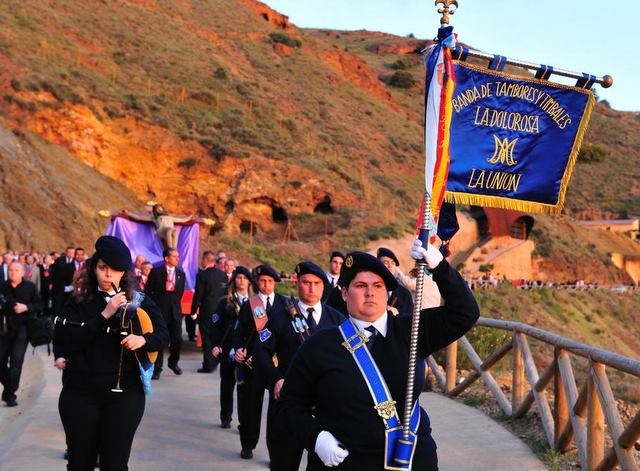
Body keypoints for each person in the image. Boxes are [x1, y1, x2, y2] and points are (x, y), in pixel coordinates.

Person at [279, 241, 479, 470]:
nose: (370, 292)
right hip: (345, 461)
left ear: (387, 292)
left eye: (378, 285)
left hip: (410, 458)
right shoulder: (320, 344)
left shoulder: (411, 331)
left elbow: (465, 313)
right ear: (344, 293)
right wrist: (315, 438)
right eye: (360, 285)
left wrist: (440, 267)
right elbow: (290, 405)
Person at [53, 235, 168, 470]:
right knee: (79, 462)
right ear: (93, 268)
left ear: (124, 273)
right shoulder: (78, 301)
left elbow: (164, 336)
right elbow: (66, 339)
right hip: (80, 391)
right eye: (103, 268)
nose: (108, 275)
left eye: (114, 270)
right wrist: (104, 314)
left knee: (115, 463)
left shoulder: (139, 301)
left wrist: (143, 340)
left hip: (125, 393)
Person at [255, 261, 345, 471]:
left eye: (316, 283)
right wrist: (275, 379)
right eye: (306, 282)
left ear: (324, 286)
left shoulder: (337, 319)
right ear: (297, 284)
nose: (311, 288)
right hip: (289, 402)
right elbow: (261, 352)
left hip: (326, 405)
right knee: (284, 461)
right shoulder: (281, 317)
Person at [232, 264, 287, 460]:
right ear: (257, 283)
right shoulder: (250, 304)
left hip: (276, 365)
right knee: (250, 407)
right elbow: (238, 333)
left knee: (276, 412)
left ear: (275, 283)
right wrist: (238, 348)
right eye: (262, 281)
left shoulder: (285, 304)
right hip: (253, 363)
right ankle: (248, 443)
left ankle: (275, 453)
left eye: (270, 281)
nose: (266, 285)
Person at [211, 266, 255, 429]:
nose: (241, 281)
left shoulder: (255, 303)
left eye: (245, 278)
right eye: (238, 278)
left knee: (245, 387)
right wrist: (215, 345)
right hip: (228, 349)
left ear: (250, 282)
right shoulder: (225, 302)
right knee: (227, 383)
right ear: (233, 281)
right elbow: (215, 324)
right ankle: (226, 417)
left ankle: (243, 422)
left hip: (246, 350)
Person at [0, 261, 43, 407]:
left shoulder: (30, 287)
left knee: (16, 362)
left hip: (23, 329)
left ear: (23, 272)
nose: (13, 272)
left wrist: (26, 307)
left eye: (16, 270)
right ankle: (9, 388)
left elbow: (39, 305)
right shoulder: (3, 286)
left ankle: (10, 394)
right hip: (4, 329)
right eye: (11, 270)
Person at [145, 247, 186, 379]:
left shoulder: (181, 274)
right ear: (166, 258)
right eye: (174, 256)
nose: (177, 259)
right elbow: (148, 291)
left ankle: (173, 363)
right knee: (159, 339)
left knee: (177, 339)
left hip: (175, 311)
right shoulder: (156, 272)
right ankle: (157, 368)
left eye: (177, 256)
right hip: (160, 311)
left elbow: (179, 293)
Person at [190, 251, 227, 373]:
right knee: (217, 336)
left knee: (206, 337)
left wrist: (193, 310)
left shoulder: (202, 275)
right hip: (220, 310)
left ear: (205, 260)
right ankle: (216, 361)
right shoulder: (223, 275)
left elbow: (198, 295)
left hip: (207, 310)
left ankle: (208, 364)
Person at [377, 247, 414, 315]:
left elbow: (410, 319)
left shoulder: (404, 293)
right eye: (386, 262)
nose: (390, 265)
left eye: (393, 263)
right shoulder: (370, 290)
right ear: (378, 265)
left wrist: (397, 314)